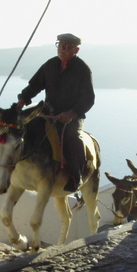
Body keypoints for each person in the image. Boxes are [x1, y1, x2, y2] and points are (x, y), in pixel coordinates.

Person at [16, 33, 95, 192]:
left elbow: (88, 98)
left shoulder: (82, 70)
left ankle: (76, 176)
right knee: (21, 128)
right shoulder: (50, 65)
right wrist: (23, 100)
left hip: (72, 118)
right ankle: (14, 165)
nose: (62, 49)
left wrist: (71, 113)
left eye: (67, 46)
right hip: (48, 114)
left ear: (76, 50)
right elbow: (35, 85)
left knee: (72, 140)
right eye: (60, 45)